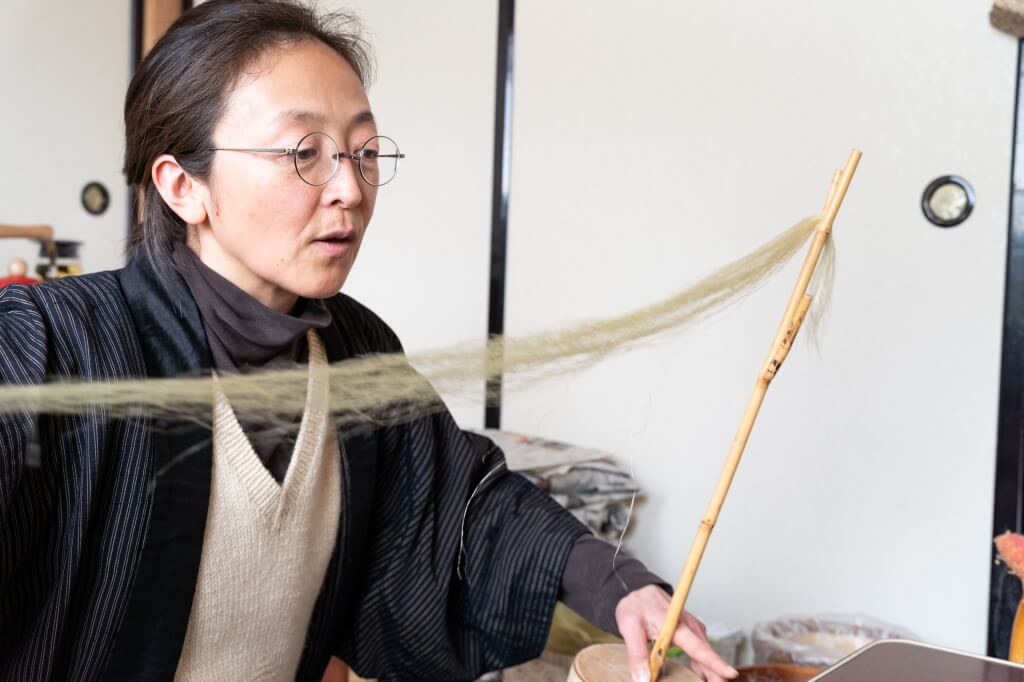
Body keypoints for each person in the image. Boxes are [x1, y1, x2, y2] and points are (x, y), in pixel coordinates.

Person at [0, 2, 737, 680]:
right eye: (303, 153)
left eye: (360, 151)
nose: (348, 188)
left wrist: (622, 588)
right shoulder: (52, 346)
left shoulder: (355, 351)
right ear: (182, 186)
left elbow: (464, 508)